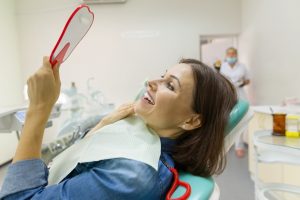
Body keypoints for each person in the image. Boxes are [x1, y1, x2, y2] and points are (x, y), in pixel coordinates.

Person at [0, 57, 237, 200]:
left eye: (170, 85)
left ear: (191, 121)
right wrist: (102, 125)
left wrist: (38, 110)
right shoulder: (138, 125)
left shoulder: (132, 175)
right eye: (163, 75)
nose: (151, 82)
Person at [220, 47, 250, 158]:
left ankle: (239, 146)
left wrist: (242, 82)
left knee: (240, 119)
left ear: (236, 55)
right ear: (226, 55)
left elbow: (248, 80)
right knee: (226, 120)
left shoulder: (242, 67)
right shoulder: (222, 66)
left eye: (233, 54)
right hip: (227, 95)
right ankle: (225, 146)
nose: (231, 56)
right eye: (229, 54)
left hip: (240, 94)